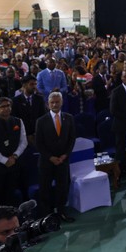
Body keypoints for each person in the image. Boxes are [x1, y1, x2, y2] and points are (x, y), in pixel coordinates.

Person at [34, 92, 76, 222]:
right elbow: (39, 143)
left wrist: (65, 155)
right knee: (45, 189)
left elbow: (71, 139)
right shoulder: (41, 121)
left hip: (63, 160)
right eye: (52, 102)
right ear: (48, 104)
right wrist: (51, 157)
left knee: (62, 187)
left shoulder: (69, 118)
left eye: (57, 102)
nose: (55, 104)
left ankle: (61, 212)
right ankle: (47, 217)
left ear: (61, 102)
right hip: (47, 161)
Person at [0, 97, 27, 208]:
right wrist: (5, 160)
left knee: (10, 198)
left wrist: (15, 156)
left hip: (13, 167)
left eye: (8, 106)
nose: (6, 108)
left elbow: (23, 142)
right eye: (2, 106)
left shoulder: (18, 121)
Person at [11, 75, 46, 145]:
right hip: (22, 135)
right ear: (24, 85)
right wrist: (25, 135)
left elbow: (43, 116)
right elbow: (15, 119)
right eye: (31, 84)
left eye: (35, 84)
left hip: (37, 134)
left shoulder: (39, 99)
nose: (34, 87)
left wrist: (37, 133)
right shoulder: (15, 101)